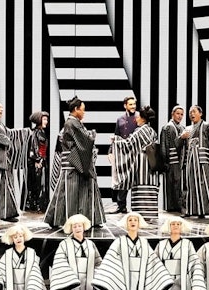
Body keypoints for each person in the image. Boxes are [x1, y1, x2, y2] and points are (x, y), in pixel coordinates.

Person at [43, 97, 104, 229]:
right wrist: (92, 134)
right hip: (74, 162)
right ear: (76, 109)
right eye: (82, 110)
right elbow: (86, 141)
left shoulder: (73, 123)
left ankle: (59, 218)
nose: (84, 113)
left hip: (74, 161)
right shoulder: (72, 123)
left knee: (68, 192)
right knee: (69, 192)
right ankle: (62, 219)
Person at [108, 104, 159, 216]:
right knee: (150, 189)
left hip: (142, 165)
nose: (136, 118)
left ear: (143, 119)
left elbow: (128, 144)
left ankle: (141, 214)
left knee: (141, 188)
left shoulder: (141, 131)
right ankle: (150, 213)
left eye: (138, 116)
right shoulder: (152, 131)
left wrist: (115, 139)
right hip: (152, 164)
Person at [8, 110, 50, 212]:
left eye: (46, 119)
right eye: (44, 119)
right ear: (39, 120)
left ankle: (38, 204)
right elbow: (33, 147)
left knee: (40, 183)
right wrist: (37, 159)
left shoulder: (41, 132)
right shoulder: (34, 133)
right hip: (36, 162)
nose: (46, 121)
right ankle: (33, 205)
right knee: (35, 184)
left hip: (42, 161)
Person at [110, 95, 138, 214]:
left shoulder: (139, 117)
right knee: (123, 178)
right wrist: (111, 151)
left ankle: (137, 206)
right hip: (123, 152)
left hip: (135, 151)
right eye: (130, 104)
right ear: (125, 106)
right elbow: (116, 135)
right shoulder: (120, 119)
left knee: (136, 179)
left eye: (134, 104)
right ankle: (121, 206)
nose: (133, 106)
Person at [158, 104, 187, 213]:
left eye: (181, 114)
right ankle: (172, 206)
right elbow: (164, 146)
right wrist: (165, 162)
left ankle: (178, 205)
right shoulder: (167, 127)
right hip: (171, 160)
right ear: (172, 114)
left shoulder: (182, 128)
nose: (180, 116)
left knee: (178, 184)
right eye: (178, 114)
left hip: (180, 161)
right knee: (172, 184)